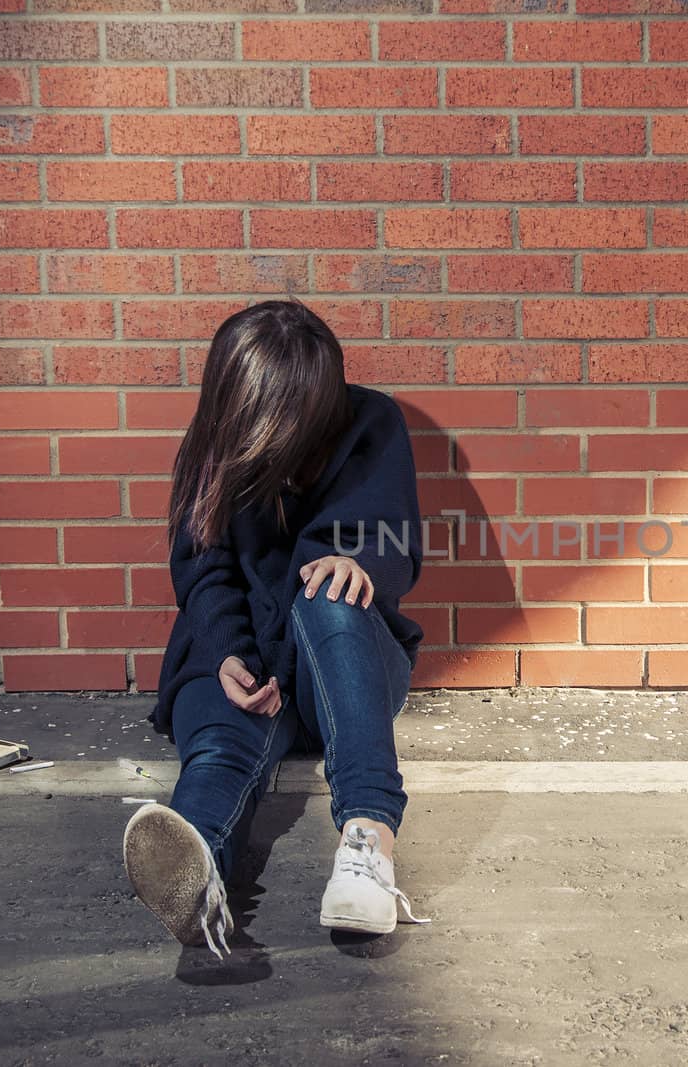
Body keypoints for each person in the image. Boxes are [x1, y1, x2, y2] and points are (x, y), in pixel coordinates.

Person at [124, 298, 431, 959]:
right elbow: (204, 571)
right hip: (250, 656)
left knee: (329, 592)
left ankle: (369, 845)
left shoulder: (374, 423)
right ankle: (197, 865)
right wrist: (228, 653)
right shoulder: (213, 447)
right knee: (220, 745)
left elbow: (397, 543)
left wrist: (361, 564)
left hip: (345, 667)